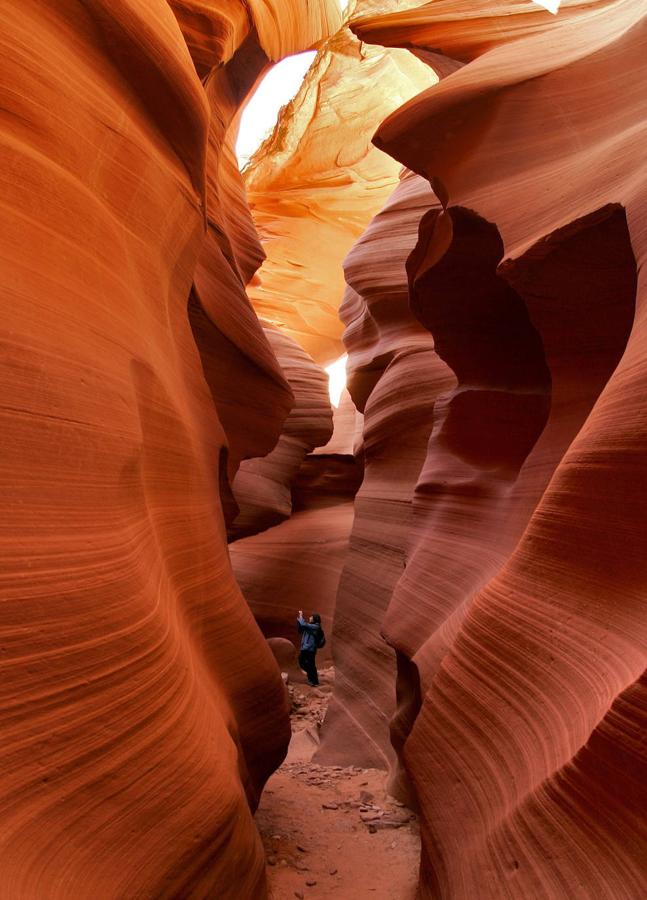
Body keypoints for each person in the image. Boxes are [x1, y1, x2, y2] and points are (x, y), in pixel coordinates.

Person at [296, 610, 324, 686]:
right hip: (305, 648)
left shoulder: (316, 626)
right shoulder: (310, 626)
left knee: (310, 664)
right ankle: (312, 679)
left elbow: (304, 625)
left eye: (311, 617)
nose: (310, 618)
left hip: (310, 649)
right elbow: (301, 629)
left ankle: (314, 681)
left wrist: (301, 616)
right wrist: (299, 622)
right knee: (303, 663)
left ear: (315, 618)